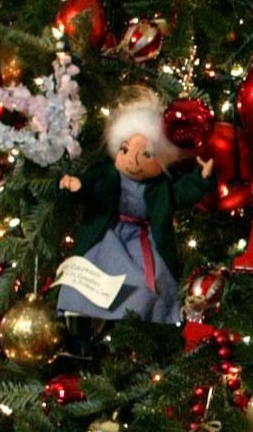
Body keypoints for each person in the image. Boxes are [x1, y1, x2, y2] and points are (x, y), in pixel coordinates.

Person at [53, 92, 213, 324]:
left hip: (144, 242)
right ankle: (80, 315)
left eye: (146, 154)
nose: (133, 161)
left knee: (151, 283)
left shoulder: (160, 187)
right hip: (108, 237)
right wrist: (76, 185)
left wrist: (201, 178)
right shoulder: (108, 174)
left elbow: (181, 193)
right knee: (90, 273)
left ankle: (148, 320)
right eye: (125, 150)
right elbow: (90, 184)